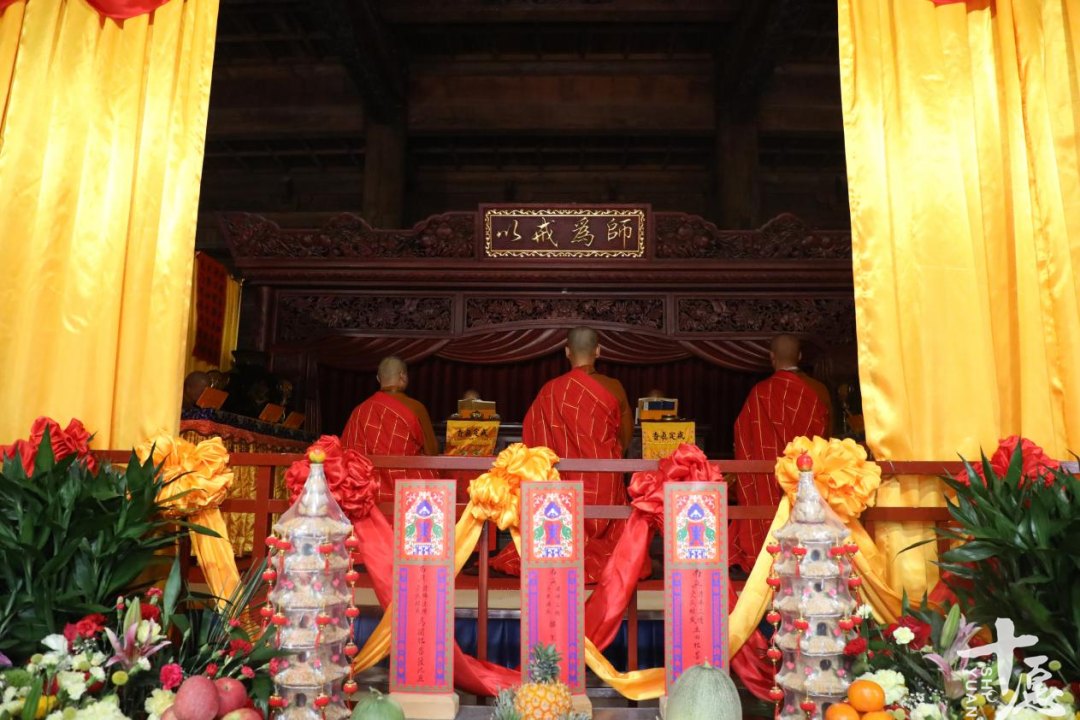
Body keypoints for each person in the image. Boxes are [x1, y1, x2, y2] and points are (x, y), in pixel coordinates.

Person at [491, 327, 636, 583]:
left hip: (562, 484)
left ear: (567, 352)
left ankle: (555, 547)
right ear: (598, 351)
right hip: (604, 482)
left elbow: (533, 440)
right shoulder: (614, 387)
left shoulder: (550, 391)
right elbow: (624, 437)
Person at [731, 334, 831, 570]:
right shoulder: (818, 390)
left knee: (768, 515)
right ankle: (809, 559)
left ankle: (766, 557)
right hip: (807, 477)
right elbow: (827, 438)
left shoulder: (760, 393)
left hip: (768, 478)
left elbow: (743, 436)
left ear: (771, 357)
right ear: (800, 356)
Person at [341, 356, 438, 501]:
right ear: (403, 376)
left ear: (378, 379)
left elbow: (346, 453)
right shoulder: (416, 408)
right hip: (407, 492)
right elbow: (432, 453)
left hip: (369, 492)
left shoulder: (360, 411)